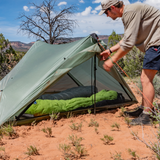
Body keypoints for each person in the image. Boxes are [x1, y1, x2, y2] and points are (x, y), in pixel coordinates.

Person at [99, 0, 160, 125]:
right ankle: (144, 109)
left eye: (106, 12)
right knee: (145, 78)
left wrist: (112, 61)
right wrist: (110, 51)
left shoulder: (130, 11)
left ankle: (147, 117)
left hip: (157, 43)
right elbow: (126, 39)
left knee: (145, 78)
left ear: (113, 8)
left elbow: (128, 44)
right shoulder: (128, 13)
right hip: (155, 44)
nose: (106, 15)